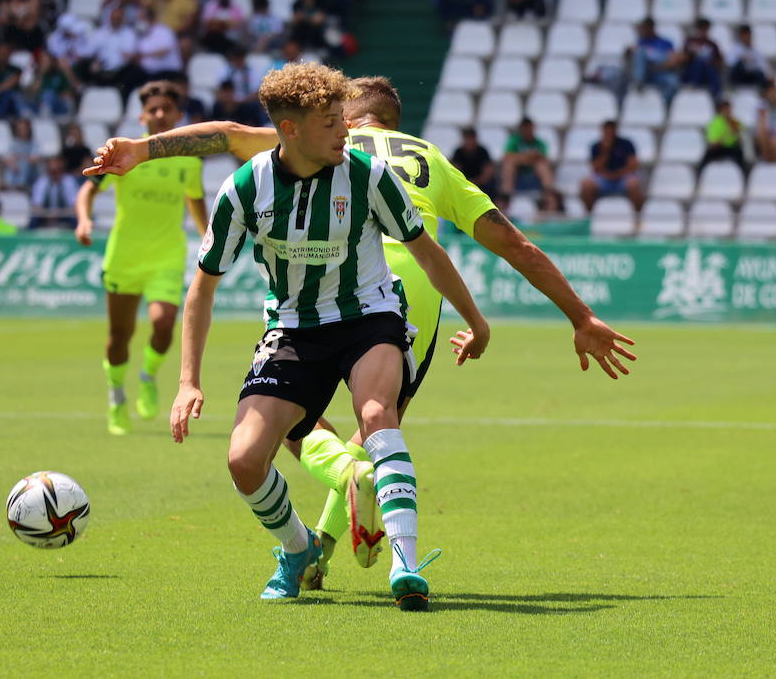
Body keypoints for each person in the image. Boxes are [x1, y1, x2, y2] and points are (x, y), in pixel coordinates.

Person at [81, 71, 634, 596]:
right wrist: (579, 316)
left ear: (354, 116)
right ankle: (320, 539)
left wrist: (141, 148)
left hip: (371, 284)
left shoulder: (340, 155)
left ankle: (364, 549)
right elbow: (516, 244)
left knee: (318, 425)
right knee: (371, 423)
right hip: (400, 287)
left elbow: (223, 135)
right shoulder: (425, 157)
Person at [174, 63, 488, 608]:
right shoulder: (245, 188)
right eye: (329, 123)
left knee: (376, 415)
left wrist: (476, 320)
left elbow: (427, 253)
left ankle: (406, 562)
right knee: (245, 460)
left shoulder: (366, 175)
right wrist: (188, 381)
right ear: (290, 130)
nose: (345, 131)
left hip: (371, 315)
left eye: (343, 119)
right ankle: (298, 552)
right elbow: (202, 286)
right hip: (293, 327)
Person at [74, 81, 208, 436]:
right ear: (142, 116)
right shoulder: (122, 152)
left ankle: (148, 377)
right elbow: (88, 189)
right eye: (153, 110)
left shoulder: (189, 161)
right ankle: (117, 396)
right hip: (125, 257)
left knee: (164, 323)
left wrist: (211, 238)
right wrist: (84, 219)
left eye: (167, 108)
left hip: (166, 255)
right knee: (119, 335)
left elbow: (196, 206)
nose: (160, 114)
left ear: (179, 115)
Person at [580, 121, 643, 212]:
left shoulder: (626, 144)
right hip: (604, 178)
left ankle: (637, 215)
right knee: (586, 185)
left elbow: (633, 165)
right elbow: (596, 168)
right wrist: (605, 150)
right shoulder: (596, 146)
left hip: (622, 177)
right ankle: (589, 214)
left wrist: (617, 174)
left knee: (634, 185)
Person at [500, 117, 559, 212]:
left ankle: (549, 196)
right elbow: (507, 158)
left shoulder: (540, 143)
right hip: (517, 176)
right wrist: (529, 157)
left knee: (542, 166)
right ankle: (506, 197)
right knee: (509, 165)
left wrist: (521, 158)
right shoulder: (514, 141)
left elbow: (543, 159)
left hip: (535, 176)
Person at [699, 100, 747, 173]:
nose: (728, 112)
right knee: (707, 157)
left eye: (729, 110)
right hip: (719, 148)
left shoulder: (734, 121)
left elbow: (742, 133)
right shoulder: (715, 123)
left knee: (740, 155)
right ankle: (700, 174)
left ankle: (744, 175)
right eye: (726, 109)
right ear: (721, 110)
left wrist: (737, 133)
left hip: (732, 147)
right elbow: (713, 144)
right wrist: (726, 136)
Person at [450, 126, 496, 195]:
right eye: (466, 138)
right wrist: (466, 182)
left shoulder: (483, 151)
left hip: (481, 185)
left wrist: (475, 182)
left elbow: (488, 172)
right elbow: (455, 171)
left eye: (470, 138)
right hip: (463, 184)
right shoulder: (458, 152)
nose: (469, 142)